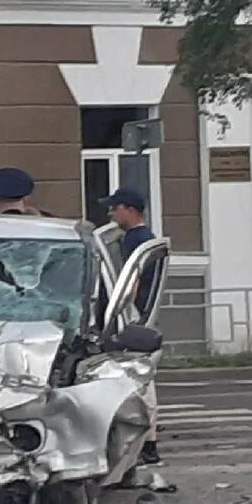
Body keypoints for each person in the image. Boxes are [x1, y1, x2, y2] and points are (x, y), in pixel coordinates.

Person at [101, 187, 161, 466]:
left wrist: (118, 313)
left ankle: (147, 444)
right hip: (142, 316)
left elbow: (131, 282)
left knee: (140, 381)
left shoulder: (136, 240)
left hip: (134, 317)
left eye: (115, 208)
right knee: (141, 381)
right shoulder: (142, 238)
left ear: (130, 210)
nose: (111, 213)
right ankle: (146, 443)